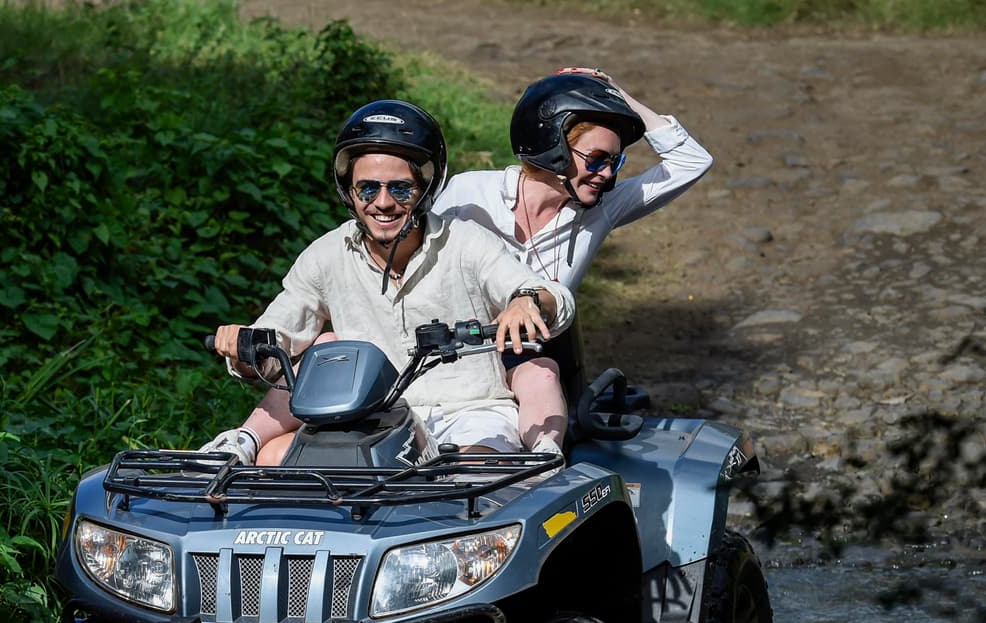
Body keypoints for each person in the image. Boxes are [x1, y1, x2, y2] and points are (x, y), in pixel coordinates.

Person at [202, 99, 576, 465]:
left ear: (425, 188)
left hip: (471, 413)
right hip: (369, 419)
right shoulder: (326, 254)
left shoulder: (467, 241)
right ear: (348, 190)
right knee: (274, 455)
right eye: (367, 189)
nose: (382, 202)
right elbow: (277, 337)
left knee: (467, 474)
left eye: (400, 189)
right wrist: (245, 350)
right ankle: (242, 443)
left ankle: (538, 463)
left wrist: (526, 299)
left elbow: (548, 296)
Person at [432, 68, 713, 456]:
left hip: (527, 366)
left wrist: (615, 94)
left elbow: (691, 161)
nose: (607, 175)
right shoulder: (468, 195)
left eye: (616, 162)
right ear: (553, 146)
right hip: (450, 354)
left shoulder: (601, 210)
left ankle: (543, 470)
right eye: (597, 159)